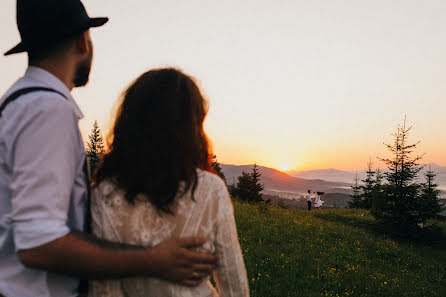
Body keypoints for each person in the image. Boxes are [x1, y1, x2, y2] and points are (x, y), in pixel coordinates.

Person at [0, 1, 216, 297]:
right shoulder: (47, 110)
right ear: (82, 41)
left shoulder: (17, 103)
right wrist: (154, 260)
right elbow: (38, 245)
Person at [89, 68, 249, 297]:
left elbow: (103, 291)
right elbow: (236, 289)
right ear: (192, 128)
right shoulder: (210, 190)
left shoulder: (102, 195)